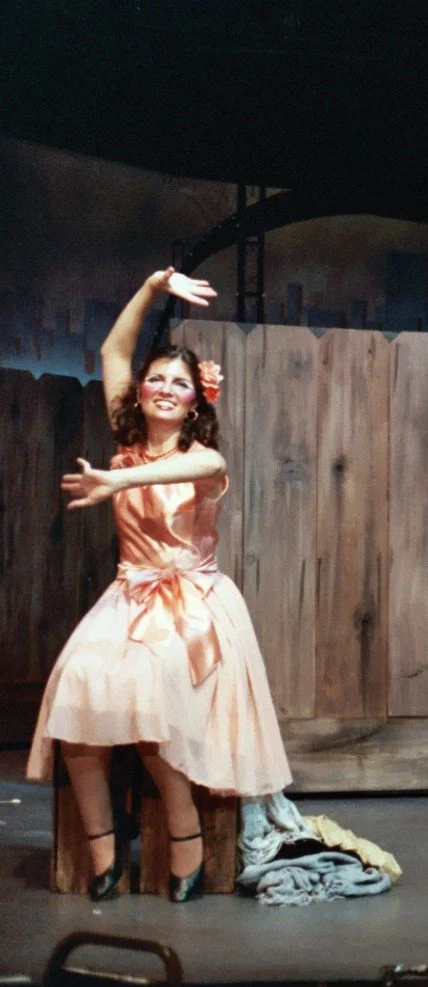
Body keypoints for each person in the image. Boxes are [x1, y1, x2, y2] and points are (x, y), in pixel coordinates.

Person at [27, 268, 291, 902]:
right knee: (76, 682)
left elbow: (210, 463)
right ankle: (102, 851)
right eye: (157, 379)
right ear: (140, 392)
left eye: (180, 383)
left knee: (149, 689)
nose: (166, 389)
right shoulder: (126, 439)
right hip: (131, 595)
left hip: (195, 606)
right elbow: (112, 351)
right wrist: (152, 287)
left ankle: (185, 838)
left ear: (196, 400)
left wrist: (116, 483)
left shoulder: (201, 460)